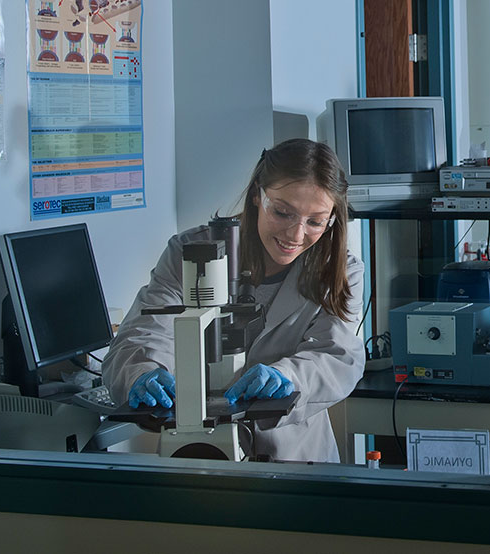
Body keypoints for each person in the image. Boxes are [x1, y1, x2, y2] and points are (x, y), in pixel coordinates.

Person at [105, 138, 365, 463]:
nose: (296, 235)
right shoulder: (190, 253)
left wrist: (288, 376)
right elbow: (142, 334)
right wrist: (142, 371)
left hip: (294, 456)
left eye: (315, 222)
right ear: (257, 195)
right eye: (283, 213)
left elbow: (338, 355)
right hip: (197, 447)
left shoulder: (339, 271)